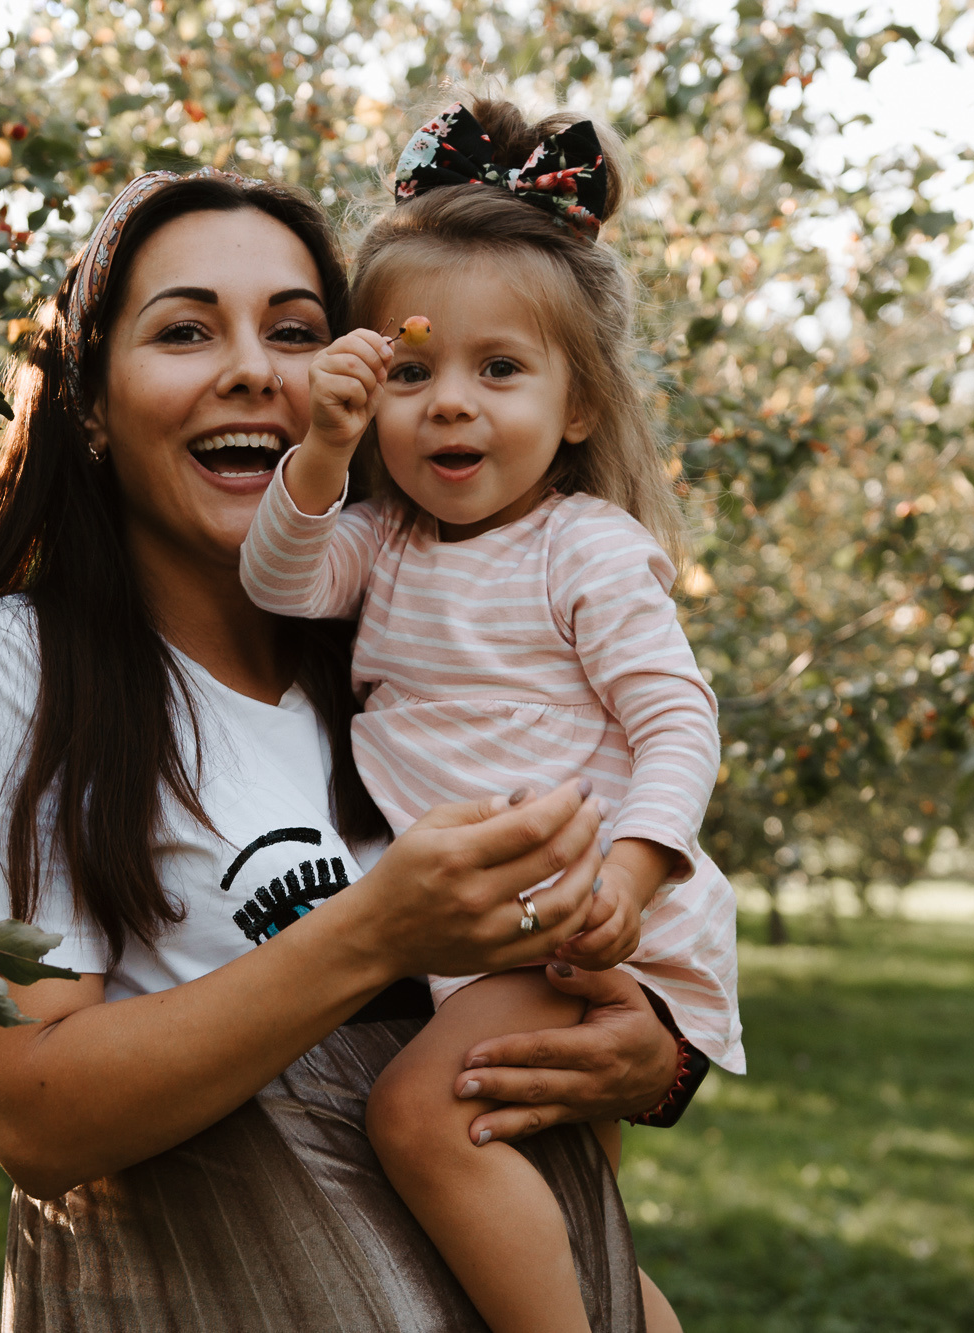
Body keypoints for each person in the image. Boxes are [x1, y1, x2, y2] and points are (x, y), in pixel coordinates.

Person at [0, 167, 709, 1332]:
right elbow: (31, 1117)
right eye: (185, 330)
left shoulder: (408, 636)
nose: (253, 369)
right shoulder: (30, 663)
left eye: (296, 332)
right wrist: (374, 932)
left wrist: (653, 1062)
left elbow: (541, 1017)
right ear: (90, 404)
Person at [240, 101, 745, 1333]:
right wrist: (322, 447)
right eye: (411, 371)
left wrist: (629, 873)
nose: (449, 404)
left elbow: (677, 724)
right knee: (569, 1214)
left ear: (577, 406)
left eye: (499, 369)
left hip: (583, 920)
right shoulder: (379, 539)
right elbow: (277, 579)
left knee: (421, 1118)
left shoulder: (582, 549)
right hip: (490, 928)